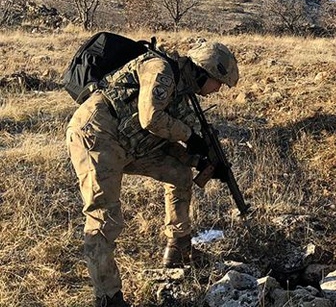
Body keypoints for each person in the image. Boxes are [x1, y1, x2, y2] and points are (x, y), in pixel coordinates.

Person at [65, 40, 239, 307]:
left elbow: (173, 135)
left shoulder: (184, 91)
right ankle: (108, 297)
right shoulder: (160, 69)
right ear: (205, 71)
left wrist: (200, 159)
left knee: (179, 173)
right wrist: (190, 137)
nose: (218, 90)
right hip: (97, 136)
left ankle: (179, 247)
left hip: (130, 143)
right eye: (219, 82)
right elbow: (151, 119)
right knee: (104, 217)